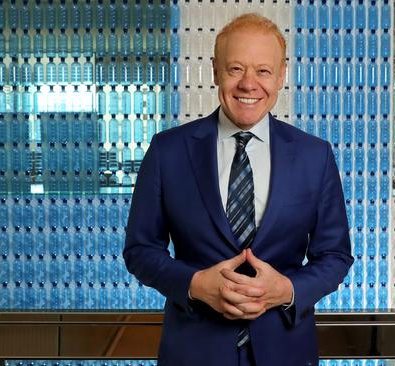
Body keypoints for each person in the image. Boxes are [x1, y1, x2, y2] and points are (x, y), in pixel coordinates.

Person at [123, 13, 353, 366]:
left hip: (286, 352)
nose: (249, 84)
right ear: (216, 71)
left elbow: (335, 256)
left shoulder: (314, 155)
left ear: (281, 75)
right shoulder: (168, 151)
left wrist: (286, 290)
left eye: (263, 70)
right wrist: (196, 284)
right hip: (193, 352)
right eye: (235, 69)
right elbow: (140, 250)